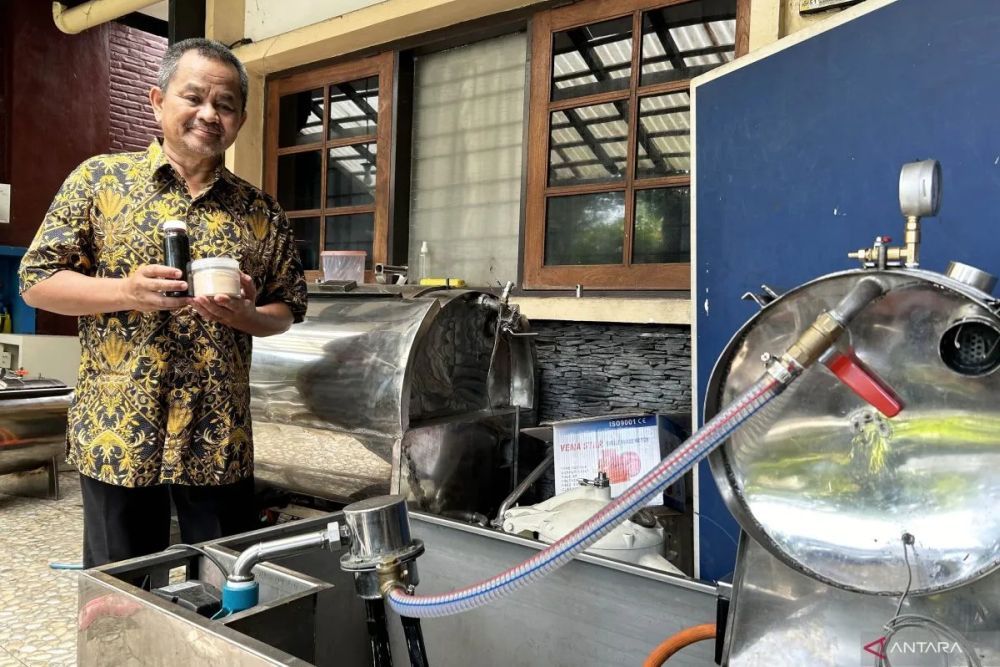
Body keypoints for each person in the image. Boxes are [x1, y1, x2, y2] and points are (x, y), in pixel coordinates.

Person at [18, 39, 307, 568]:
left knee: (228, 587)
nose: (208, 114)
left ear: (240, 119)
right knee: (120, 590)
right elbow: (36, 282)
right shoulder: (99, 181)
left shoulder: (260, 210)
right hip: (119, 432)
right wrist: (127, 290)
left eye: (224, 105)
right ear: (156, 100)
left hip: (218, 435)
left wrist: (247, 317)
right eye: (193, 97)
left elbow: (286, 308)